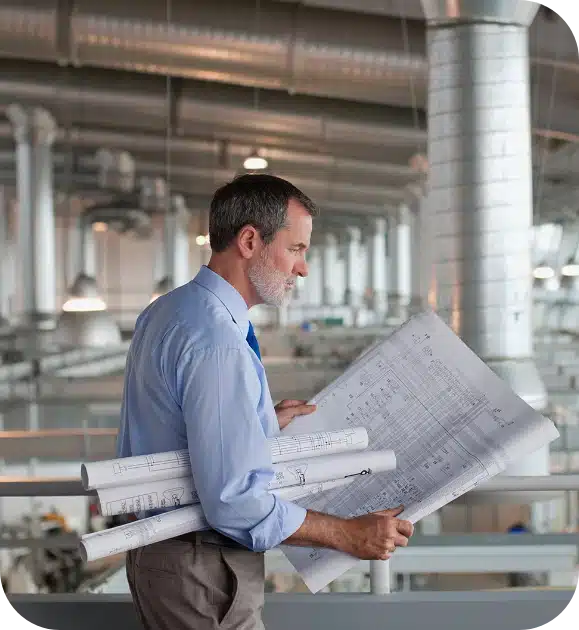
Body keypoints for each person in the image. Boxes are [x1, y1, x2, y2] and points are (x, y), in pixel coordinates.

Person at [116, 174, 414, 629]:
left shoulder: (171, 310)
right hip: (203, 569)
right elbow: (234, 500)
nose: (303, 268)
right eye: (296, 249)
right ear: (250, 240)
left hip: (171, 559)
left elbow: (175, 419)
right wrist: (347, 534)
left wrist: (252, 425)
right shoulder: (217, 342)